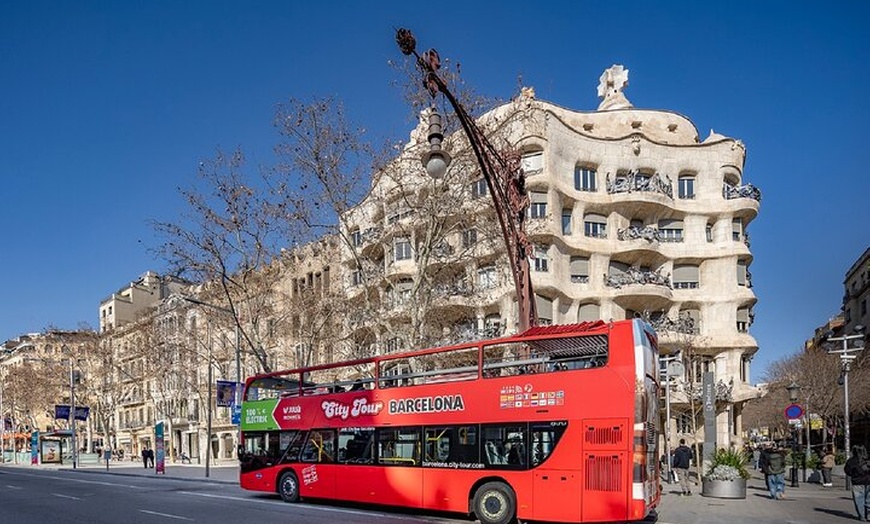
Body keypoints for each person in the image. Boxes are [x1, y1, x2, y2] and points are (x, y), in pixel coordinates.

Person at [844, 444, 870, 521]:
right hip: (869, 481)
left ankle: (862, 516)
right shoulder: (868, 459)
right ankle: (868, 515)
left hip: (857, 482)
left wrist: (854, 475)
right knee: (869, 499)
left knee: (859, 499)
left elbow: (848, 471)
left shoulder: (851, 461)